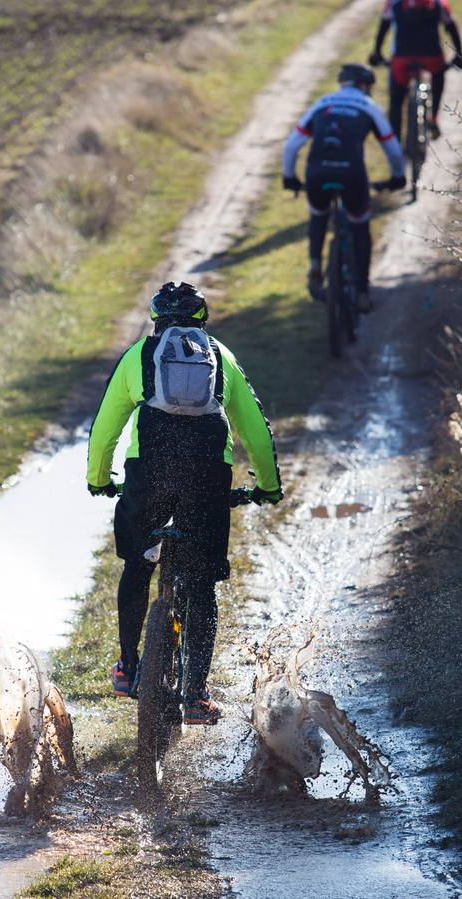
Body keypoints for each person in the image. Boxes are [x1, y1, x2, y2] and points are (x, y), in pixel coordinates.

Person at [86, 282, 282, 726]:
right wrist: (267, 486)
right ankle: (195, 695)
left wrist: (99, 479)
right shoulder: (220, 357)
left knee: (137, 566)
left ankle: (128, 667)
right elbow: (255, 430)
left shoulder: (139, 355)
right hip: (207, 480)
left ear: (156, 321)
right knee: (203, 587)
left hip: (148, 477)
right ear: (202, 321)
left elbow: (105, 427)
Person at [281, 63, 406, 313]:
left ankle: (315, 265)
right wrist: (398, 177)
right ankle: (361, 292)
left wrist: (289, 177)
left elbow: (292, 145)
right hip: (352, 173)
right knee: (360, 225)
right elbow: (391, 147)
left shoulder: (322, 103)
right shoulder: (369, 106)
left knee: (318, 213)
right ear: (364, 85)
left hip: (317, 171)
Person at [369, 0, 462, 140]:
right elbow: (451, 27)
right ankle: (433, 116)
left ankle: (395, 140)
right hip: (432, 57)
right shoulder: (438, 3)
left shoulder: (393, 3)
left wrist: (377, 53)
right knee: (438, 75)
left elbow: (384, 27)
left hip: (401, 58)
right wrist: (459, 55)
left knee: (396, 101)